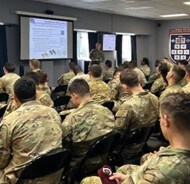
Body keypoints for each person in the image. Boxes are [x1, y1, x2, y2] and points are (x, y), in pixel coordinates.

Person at [81, 93, 190, 184]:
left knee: (88, 181)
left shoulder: (162, 172)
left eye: (160, 118)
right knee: (124, 169)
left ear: (166, 121)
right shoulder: (180, 147)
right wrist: (129, 179)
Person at [0, 76, 63, 184]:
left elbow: (2, 159)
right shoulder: (53, 113)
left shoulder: (9, 121)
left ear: (15, 98)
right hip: (54, 174)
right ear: (36, 95)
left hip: (24, 179)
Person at [62, 78, 115, 172]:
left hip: (81, 165)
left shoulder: (71, 119)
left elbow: (64, 148)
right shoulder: (107, 111)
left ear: (74, 96)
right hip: (104, 159)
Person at [115, 69, 158, 137]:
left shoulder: (127, 106)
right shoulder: (154, 98)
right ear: (139, 79)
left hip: (130, 145)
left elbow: (118, 132)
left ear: (124, 86)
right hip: (147, 138)